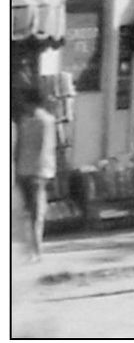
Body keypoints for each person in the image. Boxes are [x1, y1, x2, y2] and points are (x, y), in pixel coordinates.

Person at [14, 87, 57, 262]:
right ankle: (30, 248)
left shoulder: (45, 121)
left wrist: (38, 172)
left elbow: (45, 147)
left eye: (25, 101)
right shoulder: (25, 120)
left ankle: (36, 251)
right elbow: (20, 146)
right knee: (27, 212)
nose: (23, 105)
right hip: (26, 170)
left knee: (35, 212)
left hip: (36, 172)